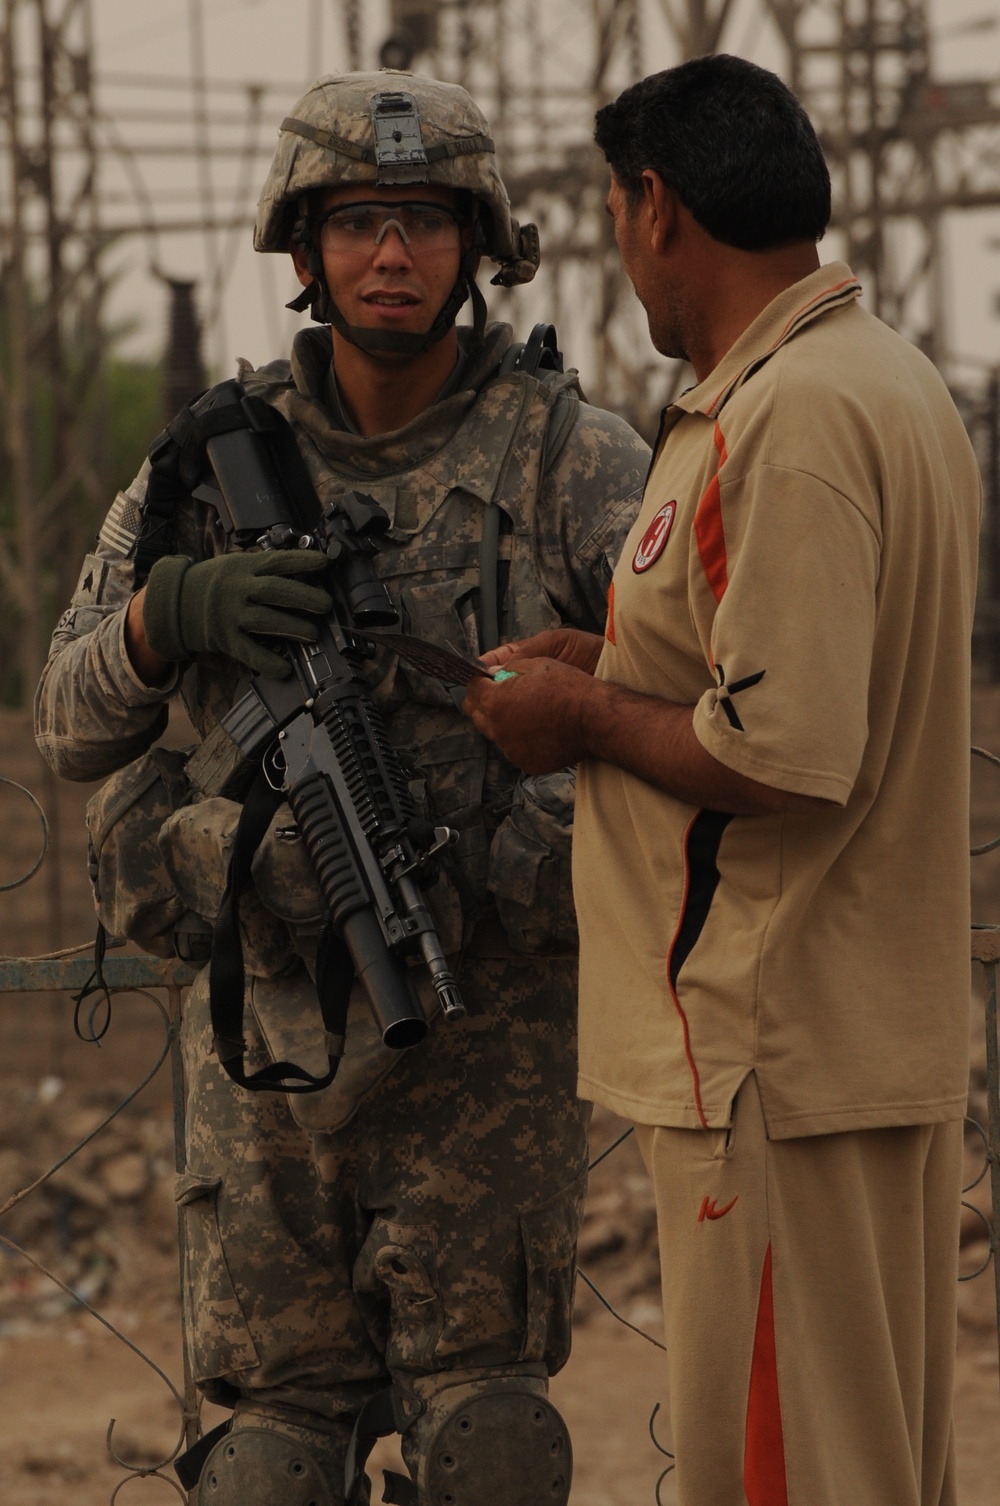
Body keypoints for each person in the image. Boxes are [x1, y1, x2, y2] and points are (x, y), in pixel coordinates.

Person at [34, 72, 649, 1506]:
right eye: (359, 221)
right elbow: (67, 720)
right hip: (269, 1076)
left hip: (482, 1055)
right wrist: (161, 615)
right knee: (263, 1468)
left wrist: (543, 827)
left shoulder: (572, 460)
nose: (391, 256)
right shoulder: (201, 464)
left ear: (478, 246)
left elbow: (689, 700)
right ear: (302, 249)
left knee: (495, 1454)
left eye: (426, 222)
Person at [465, 53, 981, 1506]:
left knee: (782, 1475)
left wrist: (577, 713)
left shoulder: (789, 419)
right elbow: (772, 664)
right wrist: (614, 656)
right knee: (862, 1464)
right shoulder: (878, 383)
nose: (624, 252)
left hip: (771, 1049)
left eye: (615, 212)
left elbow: (787, 751)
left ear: (656, 206)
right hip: (850, 1034)